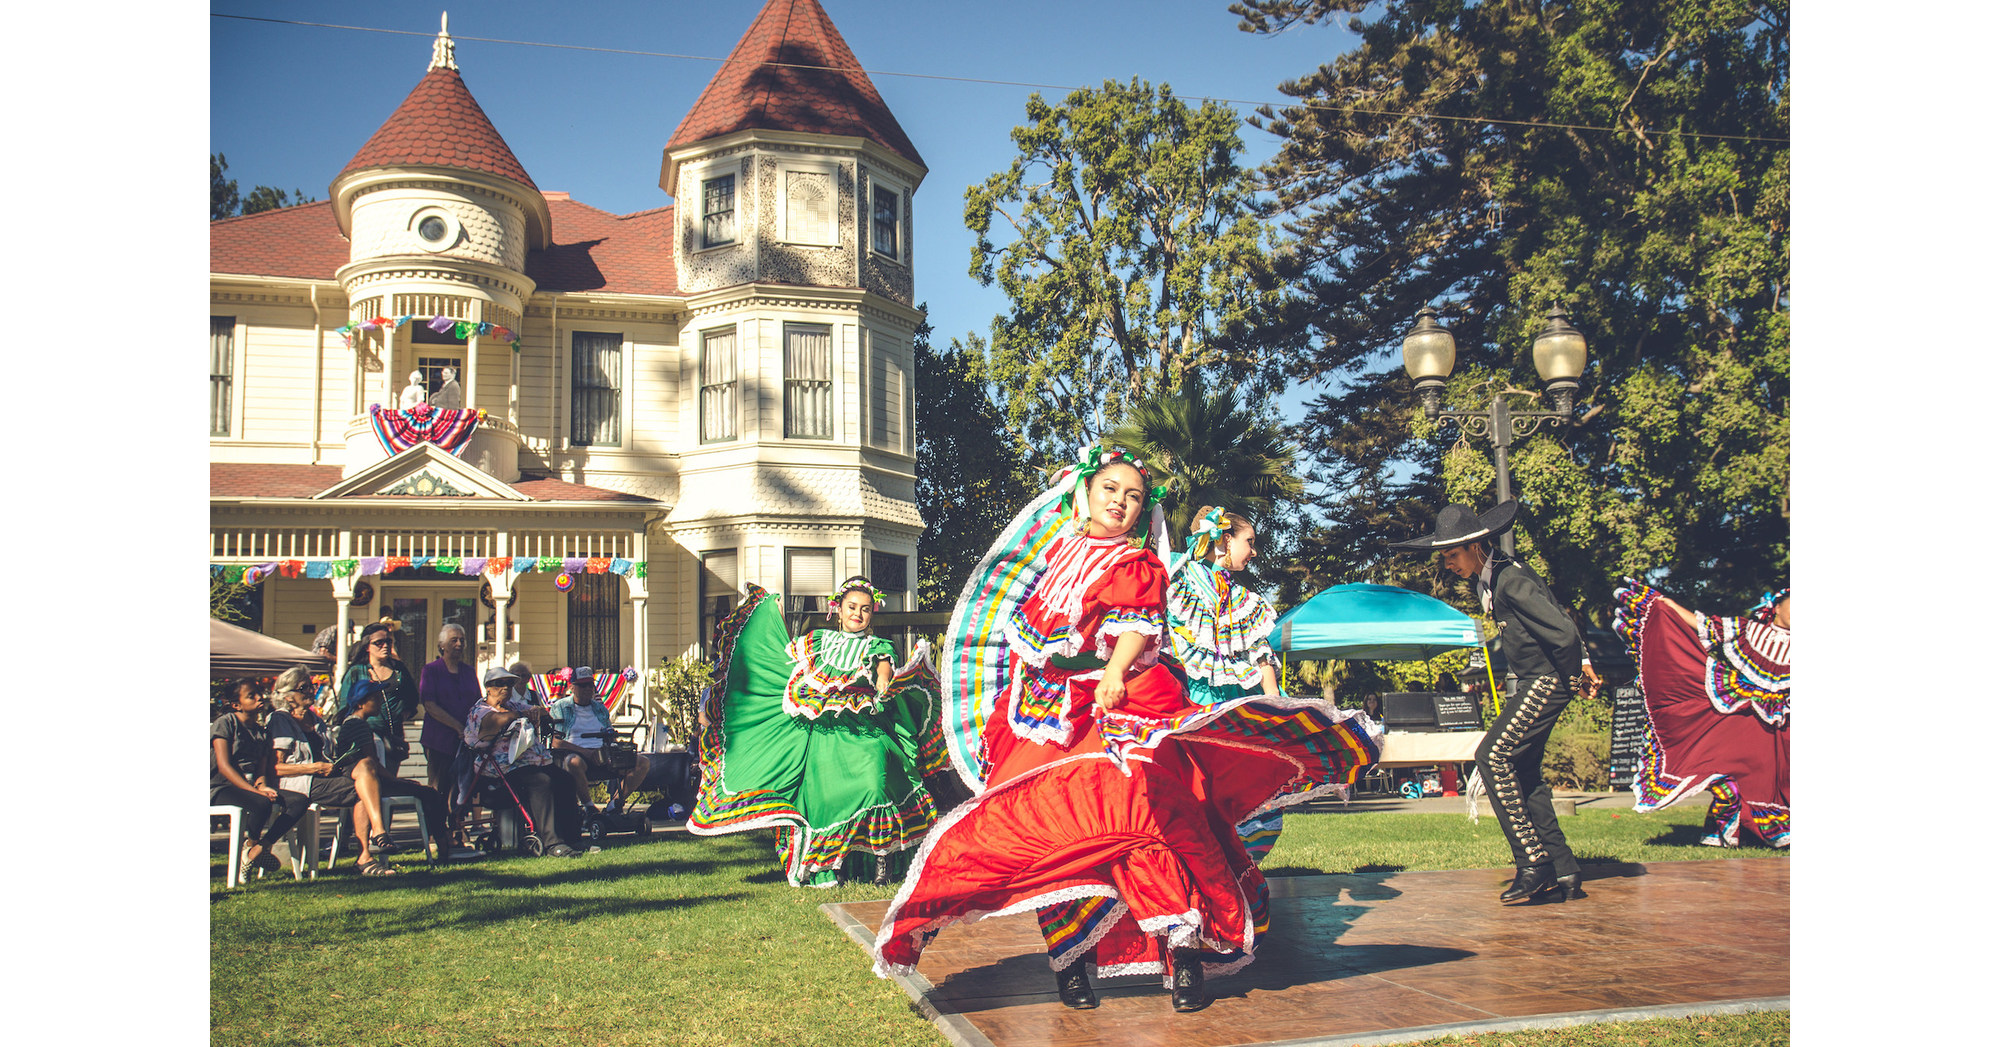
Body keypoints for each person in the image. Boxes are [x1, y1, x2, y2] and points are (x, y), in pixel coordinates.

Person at [872, 443, 1380, 1014]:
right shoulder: (1056, 560)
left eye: (1133, 496)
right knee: (1046, 832)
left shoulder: (1137, 563)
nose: (1120, 501)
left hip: (1121, 704)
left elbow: (1136, 624)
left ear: (1144, 511)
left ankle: (1183, 957)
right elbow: (1035, 644)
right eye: (1110, 489)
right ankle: (1069, 963)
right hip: (1042, 719)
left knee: (1146, 820)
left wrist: (1113, 671)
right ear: (1085, 493)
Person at [1392, 500, 1596, 905]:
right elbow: (1557, 613)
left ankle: (1533, 863)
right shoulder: (1499, 576)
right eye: (1444, 556)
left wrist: (1575, 675)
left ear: (1477, 545)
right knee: (1525, 773)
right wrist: (1584, 665)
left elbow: (1564, 632)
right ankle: (1564, 869)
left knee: (1491, 756)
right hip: (1538, 681)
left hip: (1545, 681)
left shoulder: (1509, 580)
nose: (1448, 563)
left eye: (1452, 554)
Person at [690, 576, 948, 886]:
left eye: (865, 609)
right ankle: (834, 863)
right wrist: (771, 618)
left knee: (874, 783)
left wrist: (883, 682)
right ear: (837, 609)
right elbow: (781, 662)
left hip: (865, 732)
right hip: (824, 736)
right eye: (852, 607)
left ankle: (884, 863)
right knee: (827, 798)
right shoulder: (817, 641)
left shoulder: (877, 645)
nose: (858, 614)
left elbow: (883, 668)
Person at [1166, 505, 1355, 863]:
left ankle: (1227, 870)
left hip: (1230, 709)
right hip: (1186, 704)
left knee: (1240, 796)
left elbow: (1261, 656)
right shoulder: (1176, 578)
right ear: (1223, 540)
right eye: (1248, 542)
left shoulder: (1245, 601)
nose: (1253, 551)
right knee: (1192, 792)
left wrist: (1277, 709)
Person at [1615, 584, 1790, 847]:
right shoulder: (1751, 631)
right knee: (1732, 773)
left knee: (1777, 782)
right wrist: (1667, 605)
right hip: (1743, 720)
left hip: (1783, 728)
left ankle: (1761, 830)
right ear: (1776, 607)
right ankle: (1736, 826)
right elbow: (1705, 624)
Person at [268, 667, 395, 876]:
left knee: (365, 767)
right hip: (299, 782)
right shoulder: (280, 719)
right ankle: (366, 853)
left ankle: (377, 834)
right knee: (361, 789)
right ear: (288, 696)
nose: (311, 691)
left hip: (325, 777)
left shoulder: (315, 720)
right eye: (304, 687)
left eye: (312, 686)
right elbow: (276, 768)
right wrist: (314, 767)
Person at [462, 666, 580, 858]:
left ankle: (571, 838)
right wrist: (522, 715)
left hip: (528, 762)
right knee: (541, 782)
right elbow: (496, 720)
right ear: (488, 688)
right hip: (499, 770)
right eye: (500, 683)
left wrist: (535, 710)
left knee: (565, 779)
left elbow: (542, 711)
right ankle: (552, 843)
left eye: (510, 683)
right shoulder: (480, 710)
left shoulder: (513, 706)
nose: (506, 688)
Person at [211, 679, 311, 883]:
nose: (259, 698)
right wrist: (254, 791)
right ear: (236, 704)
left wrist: (262, 785)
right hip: (221, 787)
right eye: (251, 695)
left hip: (250, 788)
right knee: (262, 803)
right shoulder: (226, 723)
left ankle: (256, 850)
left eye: (259, 693)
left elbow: (261, 768)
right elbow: (224, 765)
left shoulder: (260, 731)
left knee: (299, 801)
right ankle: (251, 846)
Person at [548, 667, 653, 818]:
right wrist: (588, 753)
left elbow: (609, 733)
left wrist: (614, 749)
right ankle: (589, 808)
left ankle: (615, 804)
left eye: (590, 685)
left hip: (604, 753)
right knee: (573, 762)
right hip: (577, 753)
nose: (587, 689)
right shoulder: (561, 707)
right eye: (583, 685)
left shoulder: (600, 708)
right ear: (572, 687)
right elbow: (556, 742)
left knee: (642, 762)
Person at [419, 622, 481, 839]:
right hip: (439, 739)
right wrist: (457, 727)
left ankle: (456, 830)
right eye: (454, 640)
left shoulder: (468, 671)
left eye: (462, 640)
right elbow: (430, 705)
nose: (459, 644)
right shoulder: (431, 670)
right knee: (439, 787)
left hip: (465, 741)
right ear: (442, 645)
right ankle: (435, 834)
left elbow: (477, 704)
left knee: (461, 788)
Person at [340, 622, 418, 778]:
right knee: (372, 777)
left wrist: (402, 714)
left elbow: (413, 697)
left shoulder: (399, 670)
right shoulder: (356, 671)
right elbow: (344, 708)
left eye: (388, 642)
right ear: (367, 646)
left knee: (389, 779)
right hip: (364, 737)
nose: (385, 646)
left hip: (392, 737)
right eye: (378, 643)